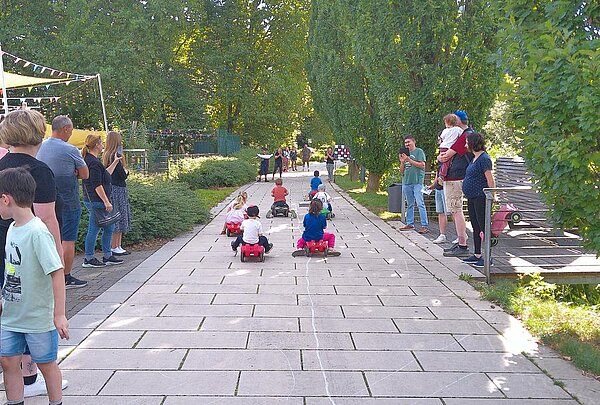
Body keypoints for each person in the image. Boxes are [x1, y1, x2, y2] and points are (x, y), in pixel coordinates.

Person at [0, 109, 69, 397]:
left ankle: (18, 374)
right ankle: (30, 378)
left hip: (5, 249)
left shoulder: (3, 166)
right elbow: (45, 216)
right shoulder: (39, 171)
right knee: (31, 310)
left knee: (11, 309)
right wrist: (55, 257)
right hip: (27, 252)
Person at [37, 115, 90, 288]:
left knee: (48, 239)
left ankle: (47, 277)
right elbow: (85, 174)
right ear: (66, 129)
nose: (71, 133)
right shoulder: (70, 149)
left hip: (44, 202)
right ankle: (66, 277)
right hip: (68, 201)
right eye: (71, 129)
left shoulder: (39, 147)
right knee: (68, 240)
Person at [81, 134, 124, 268]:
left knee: (109, 226)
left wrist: (116, 161)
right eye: (101, 143)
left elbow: (105, 174)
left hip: (95, 200)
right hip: (95, 200)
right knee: (94, 229)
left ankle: (107, 255)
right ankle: (89, 258)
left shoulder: (92, 160)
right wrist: (106, 201)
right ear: (96, 145)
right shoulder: (92, 162)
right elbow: (96, 184)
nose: (102, 145)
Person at [439, 110, 474, 257]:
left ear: (457, 121)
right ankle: (461, 242)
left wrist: (441, 156)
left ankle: (462, 244)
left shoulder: (464, 135)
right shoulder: (469, 135)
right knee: (455, 210)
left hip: (455, 176)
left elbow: (445, 155)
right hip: (458, 175)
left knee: (455, 209)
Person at [461, 132, 495, 268]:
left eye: (467, 142)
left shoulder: (484, 159)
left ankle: (488, 257)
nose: (465, 144)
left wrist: (492, 196)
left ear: (473, 143)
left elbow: (490, 180)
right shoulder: (474, 158)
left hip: (481, 197)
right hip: (472, 197)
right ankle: (477, 254)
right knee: (475, 226)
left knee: (484, 226)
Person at [102, 131, 132, 256]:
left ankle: (117, 245)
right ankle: (116, 245)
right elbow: (122, 175)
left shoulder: (106, 155)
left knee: (117, 216)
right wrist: (126, 171)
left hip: (112, 188)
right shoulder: (116, 156)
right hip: (118, 189)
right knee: (119, 216)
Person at [398, 135, 429, 234]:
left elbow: (422, 165)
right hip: (407, 182)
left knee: (420, 203)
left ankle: (424, 225)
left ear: (413, 142)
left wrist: (409, 160)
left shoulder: (419, 151)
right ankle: (410, 223)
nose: (407, 144)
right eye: (405, 143)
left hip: (417, 182)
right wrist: (403, 162)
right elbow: (401, 171)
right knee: (410, 204)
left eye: (408, 142)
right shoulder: (404, 155)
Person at [438, 113, 463, 179]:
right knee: (447, 161)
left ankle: (440, 173)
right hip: (449, 147)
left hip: (442, 146)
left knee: (443, 161)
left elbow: (442, 138)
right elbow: (462, 136)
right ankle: (442, 174)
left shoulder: (445, 130)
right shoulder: (458, 129)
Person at [429, 168, 449, 244]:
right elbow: (438, 175)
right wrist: (432, 186)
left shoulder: (451, 160)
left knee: (453, 212)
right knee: (440, 212)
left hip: (447, 188)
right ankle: (442, 235)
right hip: (438, 189)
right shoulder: (441, 162)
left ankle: (461, 235)